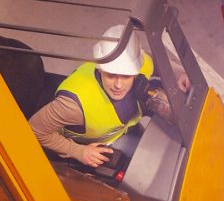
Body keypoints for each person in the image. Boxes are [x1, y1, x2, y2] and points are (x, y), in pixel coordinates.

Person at [29, 24, 188, 170]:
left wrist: (179, 73)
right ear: (100, 70)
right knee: (156, 166)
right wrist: (77, 151)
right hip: (107, 141)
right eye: (111, 76)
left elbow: (152, 60)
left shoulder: (138, 64)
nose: (118, 85)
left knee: (175, 143)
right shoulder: (72, 105)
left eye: (126, 76)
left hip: (127, 123)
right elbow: (35, 129)